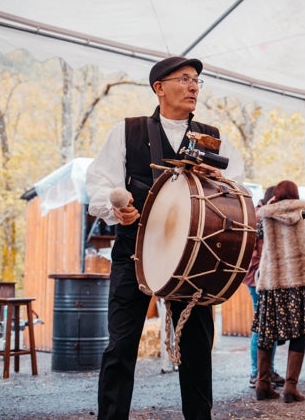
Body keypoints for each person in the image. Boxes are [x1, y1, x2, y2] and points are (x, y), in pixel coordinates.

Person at [85, 56, 245, 420]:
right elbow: (99, 184)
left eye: (197, 81)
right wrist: (116, 210)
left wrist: (217, 178)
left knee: (196, 349)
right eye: (185, 79)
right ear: (160, 87)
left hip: (193, 258)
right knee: (121, 347)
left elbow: (237, 183)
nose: (193, 87)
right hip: (134, 253)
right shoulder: (128, 131)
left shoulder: (213, 137)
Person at [252, 180, 305, 403]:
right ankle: (291, 387)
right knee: (298, 333)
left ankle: (262, 383)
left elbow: (255, 233)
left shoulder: (267, 215)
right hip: (299, 281)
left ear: (276, 196)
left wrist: (269, 204)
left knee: (266, 331)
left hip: (271, 281)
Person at [242, 185, 285, 390]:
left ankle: (266, 370)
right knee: (261, 326)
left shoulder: (262, 215)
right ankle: (256, 372)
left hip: (263, 278)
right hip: (258, 279)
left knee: (269, 326)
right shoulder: (260, 216)